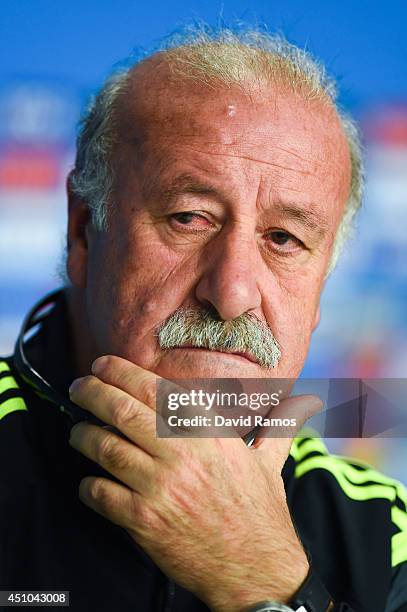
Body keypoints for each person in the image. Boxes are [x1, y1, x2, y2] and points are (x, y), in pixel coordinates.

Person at [0, 25, 406, 612]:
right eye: (190, 217)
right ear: (84, 231)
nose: (233, 292)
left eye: (284, 239)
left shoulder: (383, 529)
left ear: (319, 293)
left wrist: (267, 584)